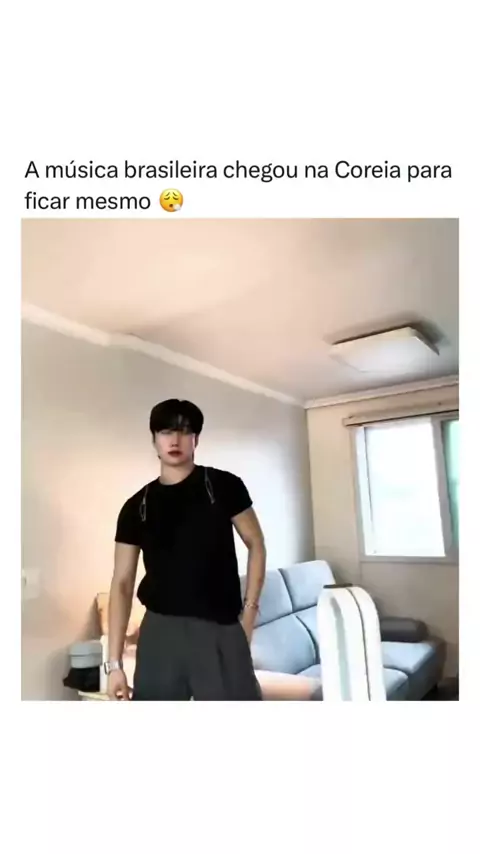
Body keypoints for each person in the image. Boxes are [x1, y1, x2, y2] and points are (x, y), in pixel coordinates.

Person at [105, 398, 266, 700]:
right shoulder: (136, 506)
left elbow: (256, 543)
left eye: (184, 431)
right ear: (154, 439)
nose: (175, 440)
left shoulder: (223, 485)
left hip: (220, 628)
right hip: (160, 633)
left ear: (196, 439)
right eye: (166, 431)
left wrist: (250, 613)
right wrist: (114, 664)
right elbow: (122, 583)